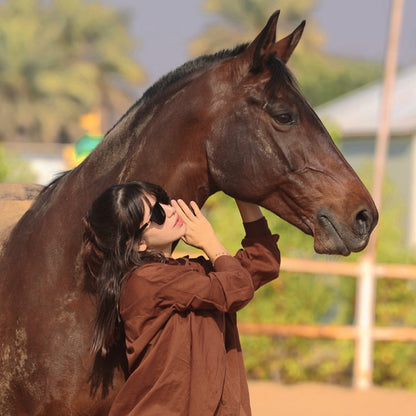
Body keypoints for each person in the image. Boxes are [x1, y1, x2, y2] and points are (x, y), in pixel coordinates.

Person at [81, 181, 280, 415]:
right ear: (137, 243)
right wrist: (209, 242)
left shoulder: (187, 273)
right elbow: (237, 287)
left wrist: (243, 195)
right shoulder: (146, 281)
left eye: (163, 203)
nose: (170, 210)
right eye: (156, 214)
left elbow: (263, 264)